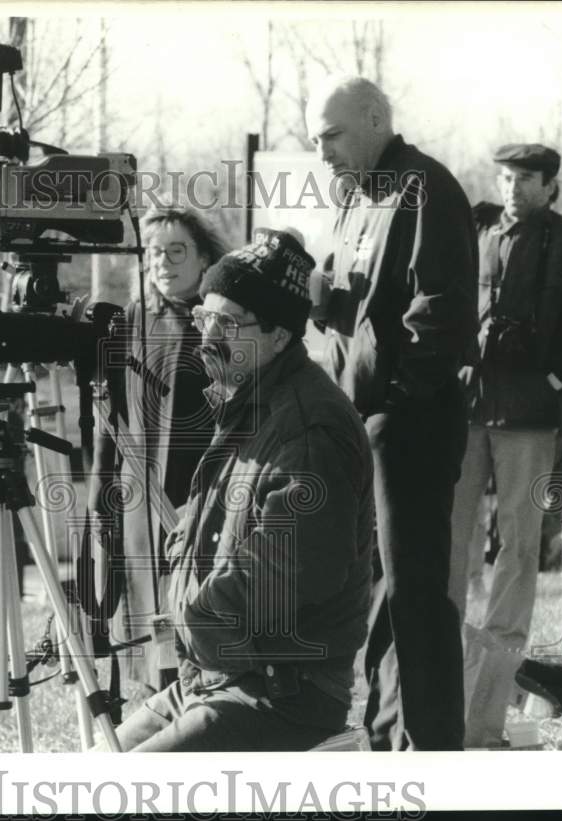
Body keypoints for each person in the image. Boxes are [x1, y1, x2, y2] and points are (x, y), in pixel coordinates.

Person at [100, 228, 374, 752]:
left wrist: (190, 620)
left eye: (227, 323)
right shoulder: (249, 401)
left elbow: (288, 571)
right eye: (204, 318)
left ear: (278, 336)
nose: (207, 338)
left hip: (280, 696)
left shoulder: (308, 428)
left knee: (109, 796)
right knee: (88, 770)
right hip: (215, 677)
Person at [305, 76, 478, 750]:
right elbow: (362, 307)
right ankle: (386, 740)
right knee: (376, 593)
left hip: (408, 424)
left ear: (375, 118)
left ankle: (432, 750)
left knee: (414, 595)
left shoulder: (424, 187)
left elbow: (441, 311)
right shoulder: (357, 197)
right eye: (316, 139)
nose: (322, 152)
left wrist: (399, 400)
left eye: (333, 135)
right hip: (362, 414)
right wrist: (323, 303)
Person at [447, 143, 562, 747]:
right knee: (448, 554)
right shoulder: (478, 227)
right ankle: (443, 695)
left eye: (527, 179)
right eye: (506, 176)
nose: (513, 187)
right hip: (465, 410)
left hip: (532, 419)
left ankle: (483, 719)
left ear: (549, 186)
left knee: (516, 558)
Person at [82, 205, 226, 695]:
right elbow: (108, 419)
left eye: (176, 250)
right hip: (138, 504)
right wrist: (100, 494)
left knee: (195, 611)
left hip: (201, 500)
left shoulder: (225, 323)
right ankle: (145, 714)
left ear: (204, 256)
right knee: (141, 616)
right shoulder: (131, 322)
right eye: (154, 252)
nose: (163, 262)